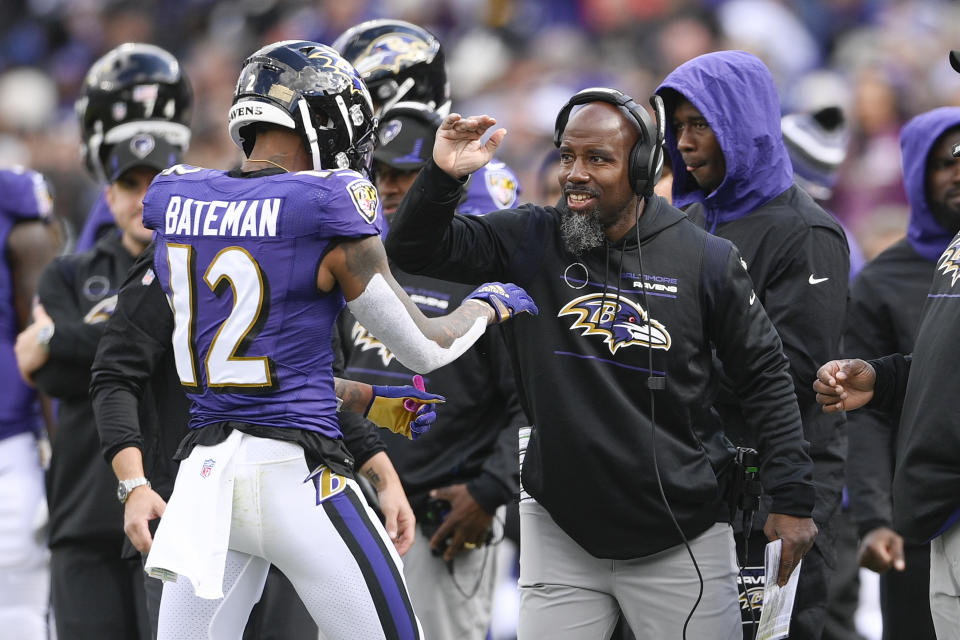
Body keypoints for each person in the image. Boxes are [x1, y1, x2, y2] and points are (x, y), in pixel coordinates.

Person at [135, 40, 535, 639]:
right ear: (325, 121)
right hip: (297, 475)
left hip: (205, 476)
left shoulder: (181, 199)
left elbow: (261, 360)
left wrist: (366, 402)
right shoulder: (328, 208)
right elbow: (425, 347)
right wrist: (486, 306)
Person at [384, 86, 818, 639]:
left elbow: (766, 380)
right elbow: (414, 251)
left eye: (598, 159)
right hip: (561, 527)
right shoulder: (531, 237)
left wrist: (794, 499)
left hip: (678, 532)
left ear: (641, 169)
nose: (574, 173)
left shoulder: (706, 260)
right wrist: (444, 176)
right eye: (567, 156)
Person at [655, 51, 850, 640]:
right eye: (678, 126)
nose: (684, 143)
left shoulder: (806, 232)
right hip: (686, 488)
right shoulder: (682, 220)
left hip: (772, 499)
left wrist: (664, 362)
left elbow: (793, 374)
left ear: (744, 124)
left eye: (700, 125)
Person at [337, 101, 525, 640]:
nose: (392, 186)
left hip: (443, 516)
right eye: (384, 172)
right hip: (354, 505)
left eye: (408, 173)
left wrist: (488, 491)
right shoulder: (351, 262)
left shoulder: (485, 276)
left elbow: (531, 406)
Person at [827, 107, 960, 640]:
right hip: (921, 512)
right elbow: (908, 394)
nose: (957, 173)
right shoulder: (891, 277)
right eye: (945, 162)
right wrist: (876, 516)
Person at [333, 18, 522, 218]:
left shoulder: (480, 177)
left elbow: (470, 247)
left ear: (405, 95)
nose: (352, 119)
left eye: (361, 106)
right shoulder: (357, 174)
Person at [0, 167, 58, 639]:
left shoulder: (13, 203)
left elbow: (44, 342)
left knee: (17, 613)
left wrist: (63, 462)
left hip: (7, 442)